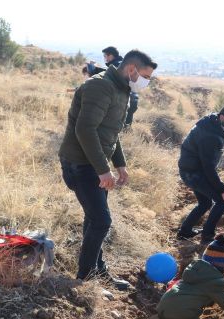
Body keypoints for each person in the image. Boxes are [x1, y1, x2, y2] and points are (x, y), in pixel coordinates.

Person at [58, 49, 158, 290]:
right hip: (80, 164)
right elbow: (85, 130)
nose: (147, 82)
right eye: (146, 76)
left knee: (94, 218)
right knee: (101, 221)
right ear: (132, 69)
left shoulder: (120, 89)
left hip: (94, 162)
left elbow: (110, 133)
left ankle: (97, 269)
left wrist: (119, 164)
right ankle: (85, 279)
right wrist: (104, 170)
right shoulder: (100, 86)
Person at [156, 234, 224, 319]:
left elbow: (197, 291)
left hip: (164, 303)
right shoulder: (215, 282)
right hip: (182, 312)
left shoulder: (193, 269)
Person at [177, 105, 224, 245]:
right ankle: (207, 236)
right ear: (222, 117)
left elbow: (207, 165)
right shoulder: (210, 136)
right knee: (222, 201)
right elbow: (208, 167)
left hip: (191, 169)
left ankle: (185, 232)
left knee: (205, 202)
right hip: (194, 173)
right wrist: (222, 190)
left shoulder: (212, 124)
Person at [103, 46, 138, 128]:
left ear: (110, 55)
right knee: (126, 127)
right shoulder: (123, 63)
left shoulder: (115, 67)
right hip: (133, 99)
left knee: (118, 129)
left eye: (105, 56)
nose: (105, 59)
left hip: (124, 101)